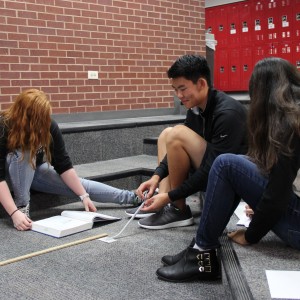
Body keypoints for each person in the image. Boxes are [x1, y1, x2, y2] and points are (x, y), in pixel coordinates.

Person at [154, 57, 300, 282]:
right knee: (231, 163)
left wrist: (251, 235)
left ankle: (202, 254)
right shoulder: (292, 117)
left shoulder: (289, 124)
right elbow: (278, 177)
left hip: (296, 223)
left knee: (226, 163)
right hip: (293, 210)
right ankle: (199, 247)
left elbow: (279, 190)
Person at [126, 54, 248, 229]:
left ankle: (177, 207)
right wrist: (156, 176)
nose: (179, 95)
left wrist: (170, 195)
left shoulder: (228, 113)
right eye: (175, 89)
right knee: (167, 134)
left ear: (201, 84)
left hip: (230, 179)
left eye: (182, 88)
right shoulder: (196, 108)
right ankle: (164, 204)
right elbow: (176, 147)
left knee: (176, 133)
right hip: (210, 168)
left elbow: (212, 167)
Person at [0, 89, 140, 231]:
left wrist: (84, 196)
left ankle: (132, 197)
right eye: (39, 121)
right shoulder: (3, 125)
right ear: (25, 117)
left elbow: (64, 166)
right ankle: (22, 207)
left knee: (81, 186)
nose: (43, 125)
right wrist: (14, 213)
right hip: (8, 179)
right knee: (26, 152)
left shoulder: (48, 125)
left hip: (33, 172)